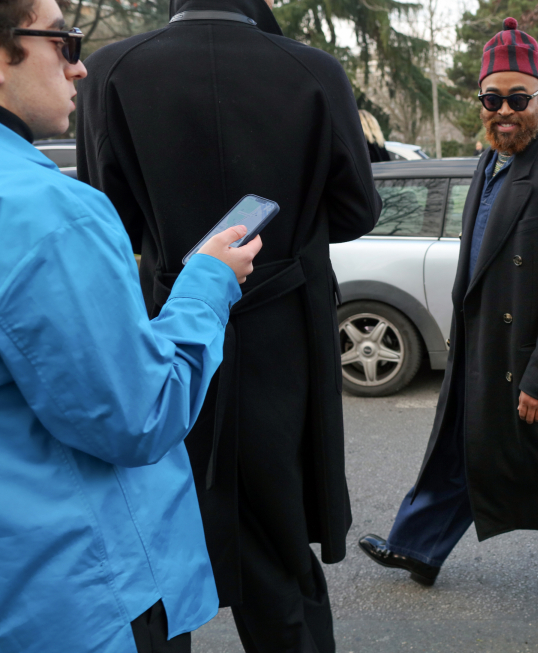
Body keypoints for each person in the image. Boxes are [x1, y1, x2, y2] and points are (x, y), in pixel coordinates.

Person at [76, 0, 381, 650]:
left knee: (155, 532)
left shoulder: (110, 69)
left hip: (167, 325)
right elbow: (358, 207)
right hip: (285, 338)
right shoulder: (314, 70)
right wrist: (288, 228)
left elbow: (110, 221)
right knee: (278, 543)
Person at [358, 16, 538, 630]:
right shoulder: (489, 163)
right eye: (492, 98)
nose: (504, 110)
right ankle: (419, 545)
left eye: (517, 98)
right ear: (480, 102)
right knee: (460, 449)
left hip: (534, 356)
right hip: (482, 347)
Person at [0, 0, 262, 650]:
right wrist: (208, 282)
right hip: (80, 593)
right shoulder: (50, 214)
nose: (81, 67)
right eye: (65, 41)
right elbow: (138, 412)